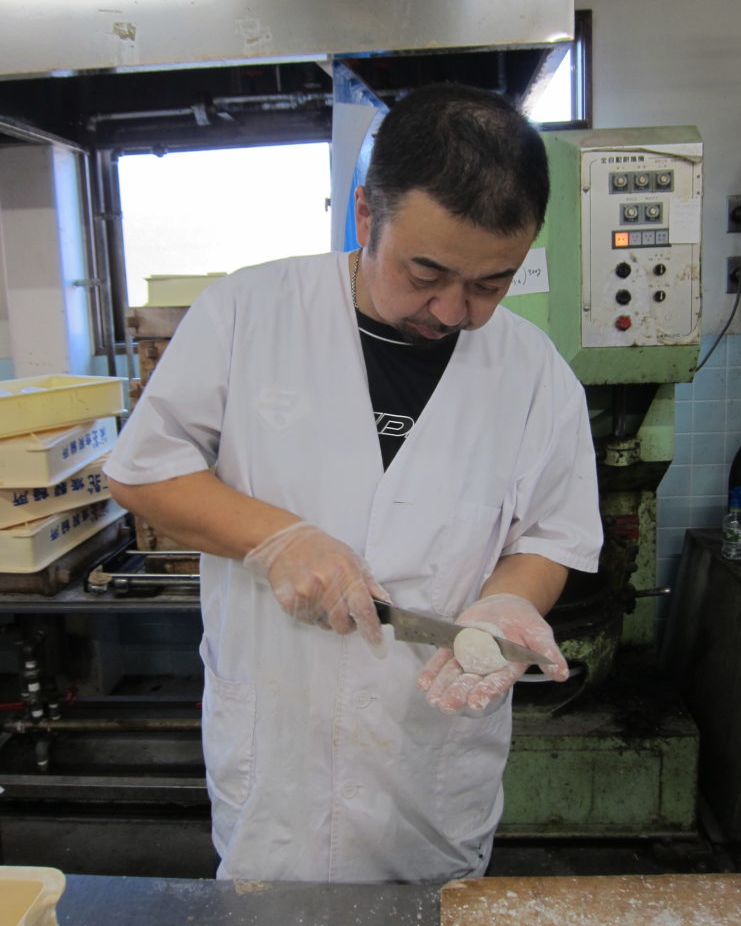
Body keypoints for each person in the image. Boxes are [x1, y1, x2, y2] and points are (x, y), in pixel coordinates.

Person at [104, 83, 603, 884]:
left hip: (430, 764)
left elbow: (552, 535)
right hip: (280, 756)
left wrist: (511, 601)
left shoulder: (533, 373)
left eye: (491, 283)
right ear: (367, 216)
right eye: (427, 271)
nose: (453, 310)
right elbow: (142, 471)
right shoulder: (249, 313)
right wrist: (276, 539)